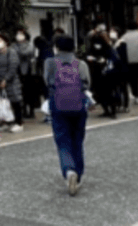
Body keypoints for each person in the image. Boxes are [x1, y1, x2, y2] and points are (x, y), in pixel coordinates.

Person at [45, 35, 91, 196]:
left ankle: (69, 171)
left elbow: (47, 81)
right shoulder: (81, 63)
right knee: (77, 140)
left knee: (63, 140)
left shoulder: (50, 63)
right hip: (79, 104)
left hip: (58, 104)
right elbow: (86, 83)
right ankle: (78, 174)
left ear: (56, 47)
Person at [0, 32, 24, 132]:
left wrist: (5, 79)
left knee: (15, 101)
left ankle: (19, 123)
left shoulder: (11, 52)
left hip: (11, 81)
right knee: (3, 102)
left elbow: (13, 67)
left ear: (5, 41)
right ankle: (6, 122)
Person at [86, 32, 120, 118]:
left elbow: (88, 56)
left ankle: (110, 111)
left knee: (103, 93)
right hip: (105, 72)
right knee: (106, 93)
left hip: (101, 72)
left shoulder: (95, 47)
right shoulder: (107, 47)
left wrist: (98, 60)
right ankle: (110, 111)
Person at [13, 29, 38, 118]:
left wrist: (19, 50)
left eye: (20, 34)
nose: (18, 36)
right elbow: (13, 54)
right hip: (18, 70)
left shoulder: (30, 45)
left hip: (29, 71)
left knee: (30, 92)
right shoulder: (14, 45)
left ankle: (31, 111)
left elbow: (26, 52)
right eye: (17, 34)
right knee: (21, 92)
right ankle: (23, 111)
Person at [117, 22, 138, 104]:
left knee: (133, 80)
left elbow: (117, 47)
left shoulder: (123, 37)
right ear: (137, 27)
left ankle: (136, 95)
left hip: (128, 62)